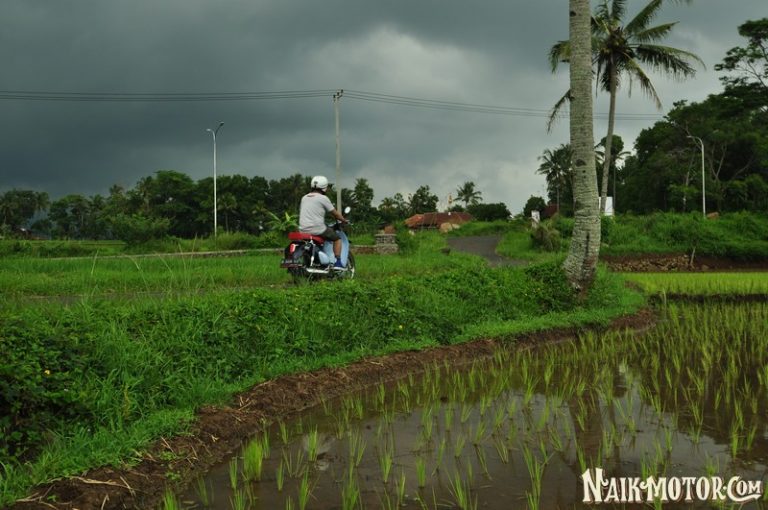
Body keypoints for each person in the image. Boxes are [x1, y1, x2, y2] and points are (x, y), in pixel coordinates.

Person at [299, 175, 348, 268]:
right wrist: (343, 220)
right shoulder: (323, 198)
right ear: (324, 188)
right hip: (317, 229)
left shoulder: (304, 198)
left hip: (303, 230)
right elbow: (335, 214)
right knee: (337, 239)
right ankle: (338, 263)